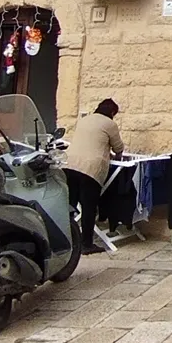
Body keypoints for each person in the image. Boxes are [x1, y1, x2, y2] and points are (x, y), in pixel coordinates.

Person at [66, 98, 124, 255]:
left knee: (70, 206)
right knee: (88, 207)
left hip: (70, 165)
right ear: (112, 112)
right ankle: (86, 244)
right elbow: (118, 147)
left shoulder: (85, 120)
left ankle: (66, 241)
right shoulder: (109, 123)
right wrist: (117, 156)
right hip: (90, 169)